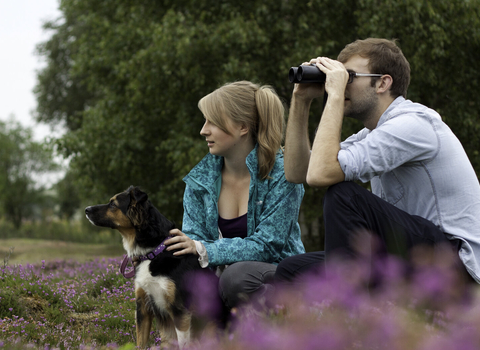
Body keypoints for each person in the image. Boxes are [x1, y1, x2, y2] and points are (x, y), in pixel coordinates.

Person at [275, 38, 480, 284]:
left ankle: (350, 312)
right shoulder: (374, 133)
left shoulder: (412, 124)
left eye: (348, 77)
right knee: (292, 269)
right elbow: (299, 172)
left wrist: (334, 98)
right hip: (414, 250)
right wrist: (301, 101)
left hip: (455, 264)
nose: (340, 84)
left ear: (383, 82)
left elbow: (321, 175)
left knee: (344, 196)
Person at [164, 80, 306, 308]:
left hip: (276, 274)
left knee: (237, 277)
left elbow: (268, 246)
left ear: (242, 127)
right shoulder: (199, 181)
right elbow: (193, 241)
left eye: (213, 122)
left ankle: (284, 327)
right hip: (224, 282)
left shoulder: (283, 174)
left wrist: (203, 249)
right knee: (189, 280)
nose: (203, 130)